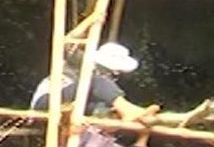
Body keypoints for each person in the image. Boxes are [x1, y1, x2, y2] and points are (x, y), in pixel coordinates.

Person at [31, 42, 160, 123]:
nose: (116, 74)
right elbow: (69, 46)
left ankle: (134, 114)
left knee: (105, 109)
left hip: (70, 107)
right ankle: (129, 110)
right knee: (95, 82)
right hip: (46, 102)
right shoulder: (84, 62)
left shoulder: (103, 76)